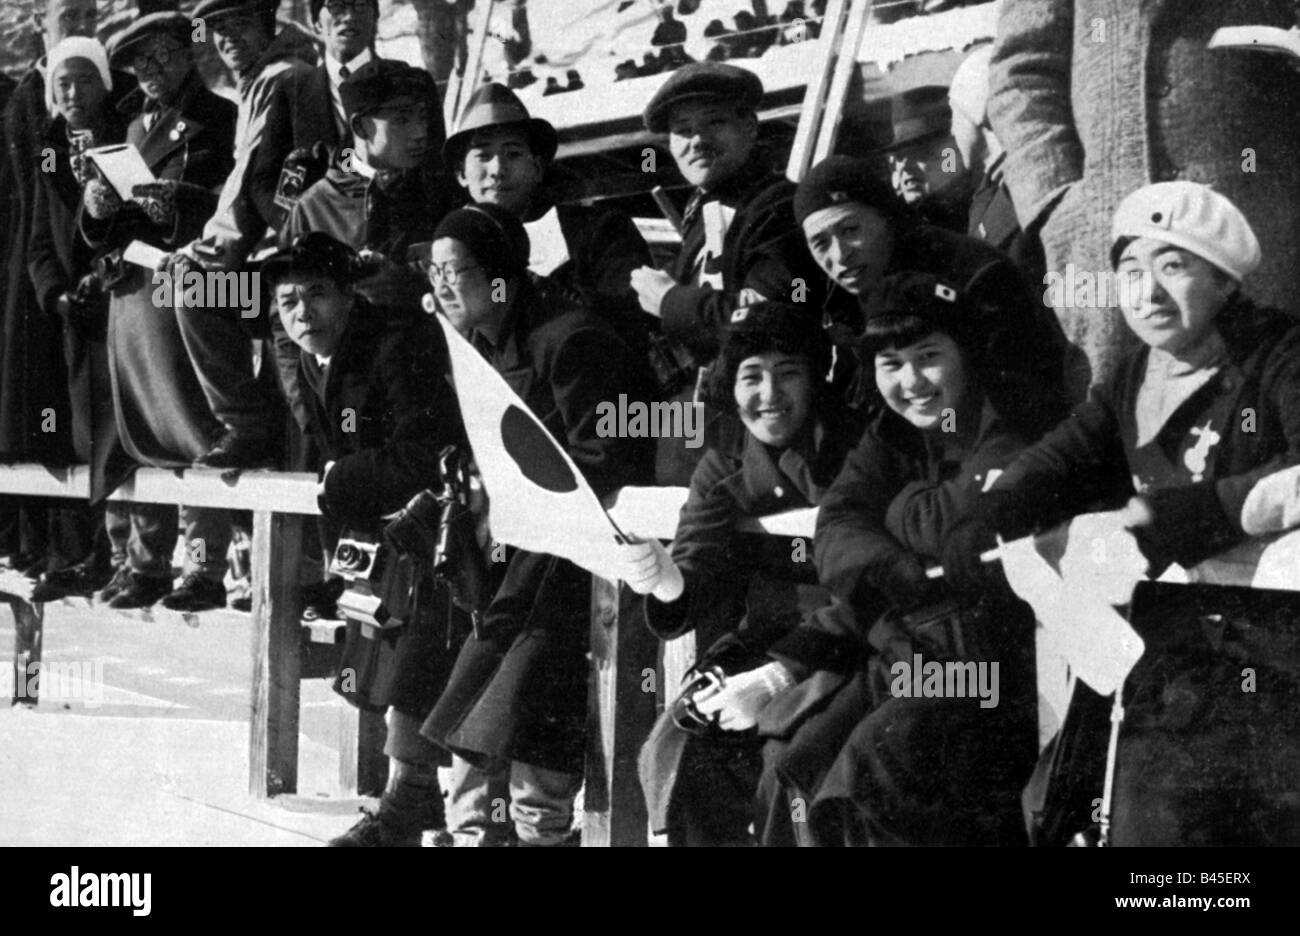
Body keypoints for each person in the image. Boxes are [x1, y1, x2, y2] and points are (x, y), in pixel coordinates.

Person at [943, 181, 1300, 846]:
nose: (1148, 293)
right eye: (1132, 271)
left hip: (1268, 653)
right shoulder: (1137, 377)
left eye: (1174, 267)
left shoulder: (1280, 354)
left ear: (1224, 281)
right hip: (1164, 648)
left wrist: (1199, 513)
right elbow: (1059, 460)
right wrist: (987, 516)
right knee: (1058, 801)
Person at [750, 270, 1060, 845]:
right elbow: (835, 526)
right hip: (907, 652)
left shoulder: (1005, 425)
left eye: (928, 356)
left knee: (874, 769)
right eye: (890, 365)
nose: (912, 382)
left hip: (991, 672)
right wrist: (893, 564)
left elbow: (964, 527)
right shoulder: (889, 435)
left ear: (964, 353)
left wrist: (895, 512)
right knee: (795, 760)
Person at [419, 204, 656, 847]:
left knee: (530, 670)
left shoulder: (570, 338)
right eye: (433, 270)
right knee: (484, 663)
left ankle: (540, 833)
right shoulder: (478, 343)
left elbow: (610, 453)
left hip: (584, 549)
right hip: (519, 544)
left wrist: (529, 504)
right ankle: (470, 830)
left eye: (457, 270)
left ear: (501, 279)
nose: (441, 284)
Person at [258, 233, 468, 847]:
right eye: (289, 301)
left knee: (407, 639)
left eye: (318, 295)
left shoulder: (396, 344)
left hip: (445, 525)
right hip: (382, 532)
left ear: (350, 294)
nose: (303, 314)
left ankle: (409, 798)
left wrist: (340, 481)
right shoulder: (313, 355)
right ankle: (414, 796)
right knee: (372, 638)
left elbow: (424, 454)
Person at [987, 0, 1300, 401]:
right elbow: (1022, 72)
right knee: (1120, 429)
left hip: (1263, 236)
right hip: (1107, 246)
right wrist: (1057, 203)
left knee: (1271, 417)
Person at [627, 301, 856, 846]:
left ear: (816, 379)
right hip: (762, 641)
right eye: (752, 377)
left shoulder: (855, 453)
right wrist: (666, 581)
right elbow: (697, 563)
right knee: (676, 742)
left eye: (789, 374)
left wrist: (780, 675)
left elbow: (867, 588)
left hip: (846, 648)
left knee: (790, 762)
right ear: (731, 388)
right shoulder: (724, 465)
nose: (770, 395)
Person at [78, 11, 239, 611]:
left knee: (192, 428)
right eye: (140, 63)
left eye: (163, 56)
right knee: (134, 432)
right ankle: (143, 565)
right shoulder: (125, 126)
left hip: (182, 289)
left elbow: (232, 201)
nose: (151, 71)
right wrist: (95, 207)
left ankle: (202, 568)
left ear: (189, 54)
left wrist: (177, 199)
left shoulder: (219, 116)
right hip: (130, 292)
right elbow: (102, 228)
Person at [162, 0, 323, 470]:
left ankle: (247, 425)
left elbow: (251, 184)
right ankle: (247, 426)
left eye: (239, 25)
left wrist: (201, 253)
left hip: (296, 266)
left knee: (190, 285)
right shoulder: (261, 80)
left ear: (266, 24)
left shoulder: (282, 77)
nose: (227, 38)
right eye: (217, 30)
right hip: (272, 265)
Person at [795, 155, 1067, 425]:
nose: (840, 255)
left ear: (886, 217)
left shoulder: (974, 276)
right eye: (820, 243)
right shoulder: (842, 302)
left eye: (850, 229)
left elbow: (1022, 402)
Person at [0, 0, 126, 579]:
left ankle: (96, 548)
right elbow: (29, 206)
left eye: (86, 12)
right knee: (40, 411)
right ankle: (42, 541)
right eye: (65, 14)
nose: (77, 24)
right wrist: (45, 286)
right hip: (35, 281)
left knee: (93, 414)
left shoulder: (118, 95)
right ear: (39, 26)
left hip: (102, 281)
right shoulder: (29, 102)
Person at [444, 81, 653, 359]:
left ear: (537, 167)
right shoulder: (446, 252)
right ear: (461, 173)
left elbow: (629, 322)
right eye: (483, 155)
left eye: (513, 154)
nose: (497, 170)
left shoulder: (597, 231)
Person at [631, 62, 819, 366]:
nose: (697, 141)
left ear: (749, 127)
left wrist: (671, 302)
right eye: (682, 130)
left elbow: (775, 317)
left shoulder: (778, 205)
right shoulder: (704, 208)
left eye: (714, 122)